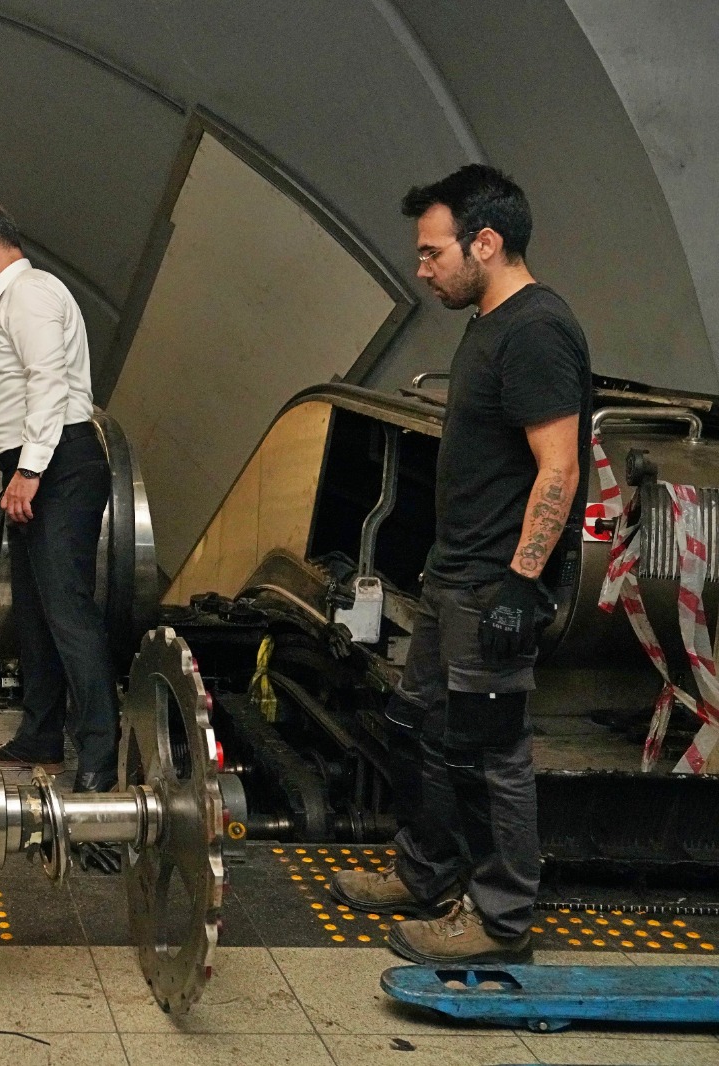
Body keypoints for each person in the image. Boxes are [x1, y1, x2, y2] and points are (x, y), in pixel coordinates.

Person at [331, 164, 589, 966]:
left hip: (492, 585)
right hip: (454, 575)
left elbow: (560, 468)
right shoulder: (487, 322)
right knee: (423, 730)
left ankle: (501, 919)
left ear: (487, 241)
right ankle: (427, 871)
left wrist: (522, 581)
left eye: (433, 251)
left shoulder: (537, 329)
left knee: (490, 751)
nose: (422, 268)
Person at [0, 199, 121, 873]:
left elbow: (50, 393)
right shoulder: (4, 308)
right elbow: (13, 413)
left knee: (71, 613)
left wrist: (32, 474)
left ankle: (98, 768)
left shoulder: (33, 294)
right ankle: (43, 735)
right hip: (34, 462)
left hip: (65, 465)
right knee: (40, 616)